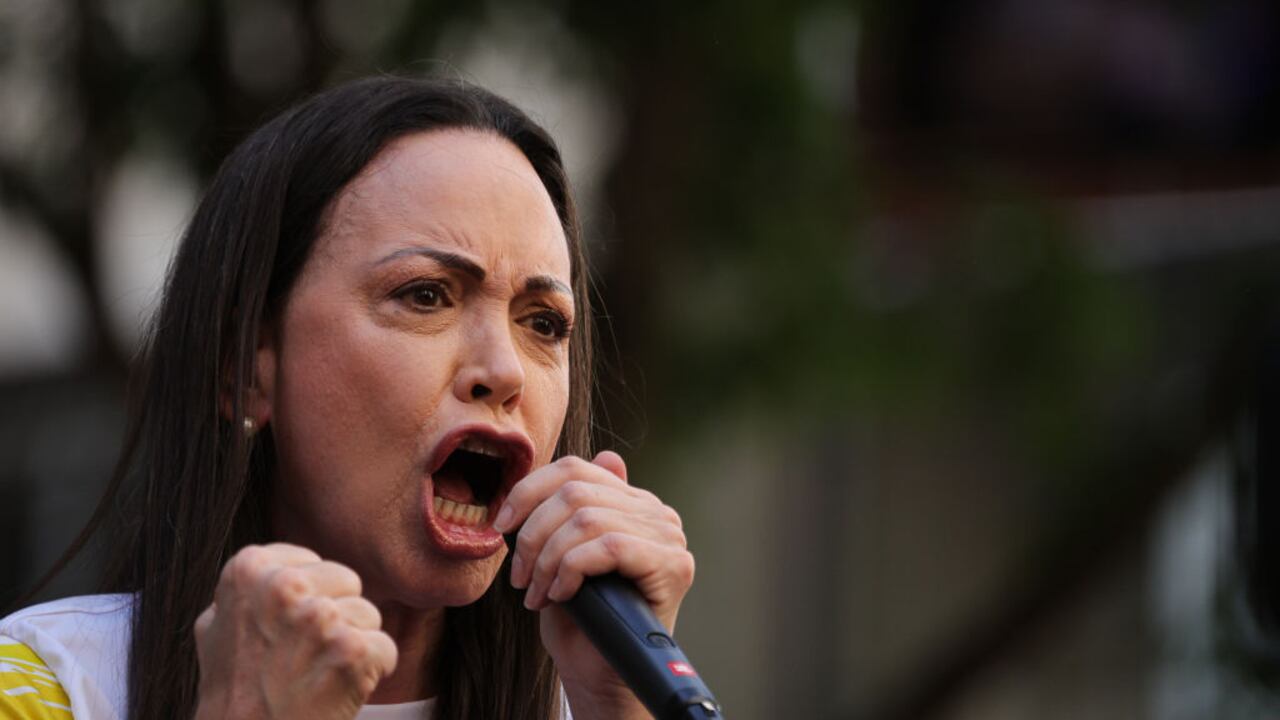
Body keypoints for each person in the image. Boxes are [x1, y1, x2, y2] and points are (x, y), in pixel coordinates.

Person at [0, 76, 695, 720]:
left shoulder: (594, 701)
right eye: (426, 296)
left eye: (543, 323)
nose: (504, 369)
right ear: (243, 366)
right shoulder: (50, 686)